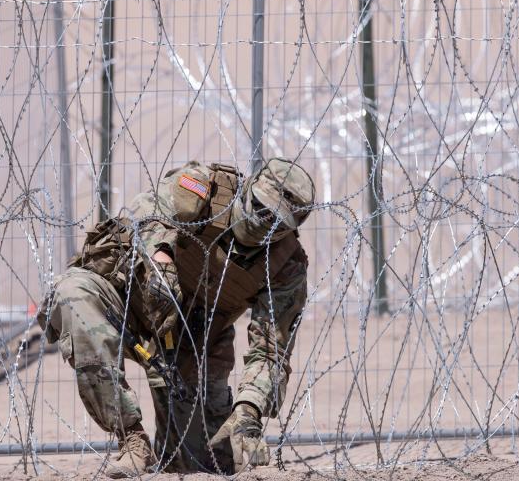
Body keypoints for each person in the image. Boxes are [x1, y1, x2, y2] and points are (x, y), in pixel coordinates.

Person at [40, 158, 314, 477]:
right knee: (74, 294)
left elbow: (271, 351)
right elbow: (146, 213)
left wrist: (249, 411)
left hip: (190, 346)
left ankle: (180, 448)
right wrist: (160, 254)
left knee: (206, 461)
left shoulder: (285, 267)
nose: (263, 223)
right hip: (129, 304)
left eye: (277, 222)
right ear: (249, 188)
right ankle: (132, 439)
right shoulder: (204, 188)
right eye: (260, 207)